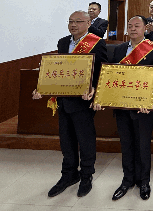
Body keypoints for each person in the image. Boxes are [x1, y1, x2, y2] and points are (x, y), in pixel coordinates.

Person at [32, 11, 107, 198]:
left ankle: (86, 175)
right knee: (66, 140)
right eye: (71, 21)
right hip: (63, 99)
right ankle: (69, 175)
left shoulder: (97, 43)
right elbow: (59, 69)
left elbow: (103, 70)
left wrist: (95, 89)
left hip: (83, 100)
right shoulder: (63, 42)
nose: (73, 25)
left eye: (78, 21)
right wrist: (43, 87)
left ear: (88, 23)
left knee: (85, 140)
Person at [95, 15, 153, 202]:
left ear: (145, 28)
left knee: (143, 145)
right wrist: (102, 96)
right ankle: (127, 180)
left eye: (137, 26)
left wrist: (151, 100)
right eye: (130, 26)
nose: (133, 29)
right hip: (122, 106)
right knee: (126, 144)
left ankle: (144, 181)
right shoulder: (118, 49)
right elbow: (111, 76)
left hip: (143, 108)